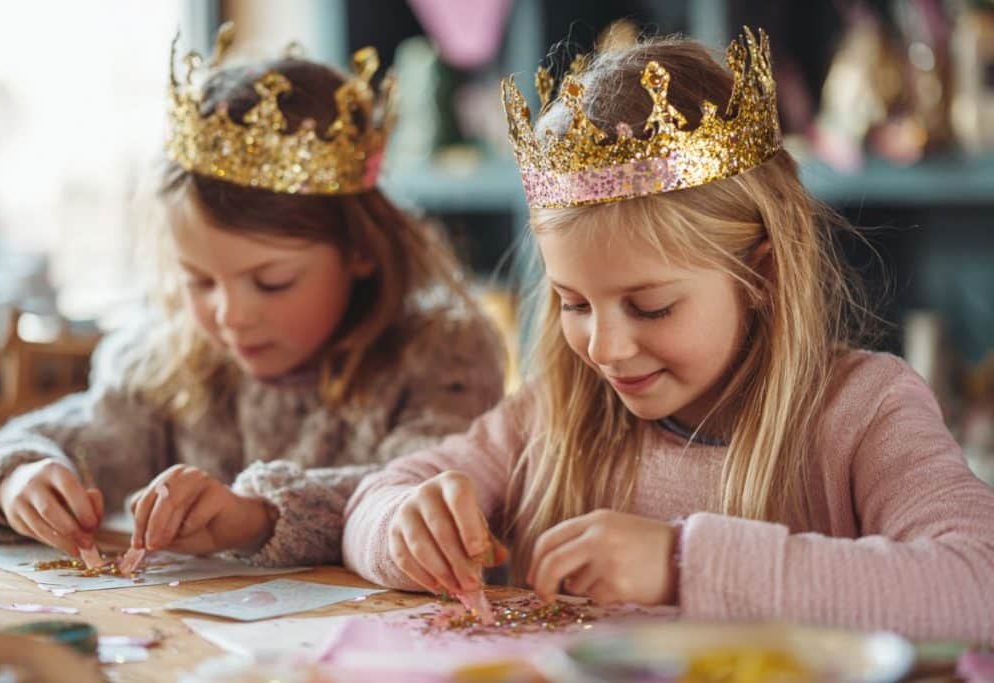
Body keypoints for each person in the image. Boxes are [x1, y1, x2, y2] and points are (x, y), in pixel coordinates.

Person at [342, 29, 994, 641]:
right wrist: (404, 524)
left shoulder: (864, 411)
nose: (605, 347)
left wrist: (682, 563)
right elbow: (373, 500)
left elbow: (977, 584)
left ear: (759, 273)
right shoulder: (556, 417)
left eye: (650, 307)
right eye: (573, 303)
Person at [0, 24, 505, 567]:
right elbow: (78, 440)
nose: (230, 316)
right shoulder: (168, 357)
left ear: (360, 249)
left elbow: (416, 496)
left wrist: (258, 516)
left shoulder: (443, 356)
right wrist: (20, 477)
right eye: (199, 281)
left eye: (272, 282)